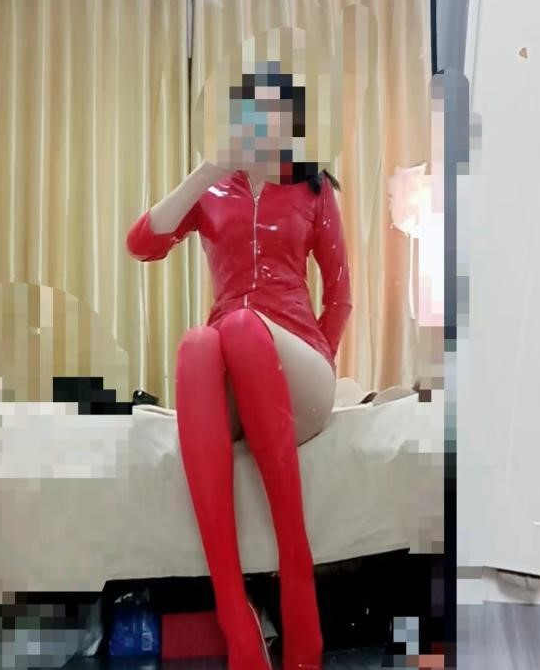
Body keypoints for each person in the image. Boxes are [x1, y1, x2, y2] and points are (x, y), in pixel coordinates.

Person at [126, 64, 352, 670]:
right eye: (254, 109)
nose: (265, 121)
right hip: (233, 370)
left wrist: (320, 366)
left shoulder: (313, 191)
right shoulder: (213, 191)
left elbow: (339, 297)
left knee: (243, 328)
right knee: (200, 344)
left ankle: (298, 581)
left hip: (299, 372)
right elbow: (141, 244)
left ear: (293, 124)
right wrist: (206, 172)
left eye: (278, 110)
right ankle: (235, 612)